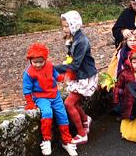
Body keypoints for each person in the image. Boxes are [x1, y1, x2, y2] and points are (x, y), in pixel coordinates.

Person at [22, 43, 77, 156]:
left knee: (63, 115)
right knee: (47, 113)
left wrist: (66, 76)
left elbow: (56, 76)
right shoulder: (29, 73)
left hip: (55, 96)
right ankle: (46, 140)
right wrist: (30, 103)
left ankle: (66, 141)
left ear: (45, 59)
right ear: (30, 61)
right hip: (41, 97)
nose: (38, 65)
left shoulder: (50, 66)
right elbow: (27, 89)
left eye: (40, 62)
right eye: (35, 62)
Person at [55, 10, 98, 145]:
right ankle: (85, 119)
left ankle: (81, 134)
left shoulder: (81, 41)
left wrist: (53, 68)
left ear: (74, 25)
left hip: (85, 76)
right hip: (80, 75)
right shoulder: (73, 38)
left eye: (66, 26)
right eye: (63, 26)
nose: (64, 29)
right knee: (74, 102)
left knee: (69, 103)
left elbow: (74, 65)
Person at [113, 47, 136, 142]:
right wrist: (117, 98)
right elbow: (118, 86)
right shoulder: (124, 73)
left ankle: (135, 135)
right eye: (134, 62)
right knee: (127, 115)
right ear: (130, 61)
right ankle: (125, 133)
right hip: (127, 100)